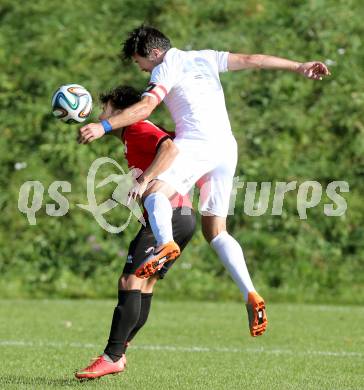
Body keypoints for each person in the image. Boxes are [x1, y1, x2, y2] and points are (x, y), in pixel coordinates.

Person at [78, 25, 330, 338]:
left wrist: (103, 126)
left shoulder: (165, 67)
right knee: (216, 231)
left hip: (197, 142)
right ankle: (250, 293)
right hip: (226, 148)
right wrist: (298, 66)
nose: (141, 68)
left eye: (138, 61)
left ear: (154, 53)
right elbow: (254, 59)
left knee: (154, 190)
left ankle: (164, 244)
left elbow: (144, 108)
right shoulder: (205, 57)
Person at [75, 86, 196, 379]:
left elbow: (169, 148)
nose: (102, 115)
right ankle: (119, 350)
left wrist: (147, 180)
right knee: (144, 285)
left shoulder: (138, 127)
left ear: (119, 110)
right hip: (182, 216)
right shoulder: (133, 135)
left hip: (169, 214)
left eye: (105, 110)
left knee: (130, 279)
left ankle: (112, 356)